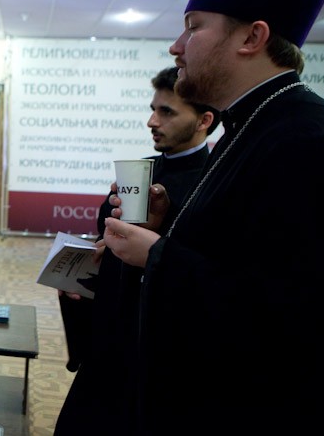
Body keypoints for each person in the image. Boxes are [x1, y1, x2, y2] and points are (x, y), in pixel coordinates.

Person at [99, 0, 324, 435]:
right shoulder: (255, 123)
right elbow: (237, 252)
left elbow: (291, 313)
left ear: (252, 38)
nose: (176, 46)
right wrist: (167, 228)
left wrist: (157, 256)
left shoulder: (305, 139)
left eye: (193, 28)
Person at [55, 66, 219, 434]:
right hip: (107, 342)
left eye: (167, 112)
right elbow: (106, 239)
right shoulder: (140, 170)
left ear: (204, 121)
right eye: (153, 109)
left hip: (158, 352)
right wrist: (81, 275)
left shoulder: (211, 184)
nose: (152, 121)